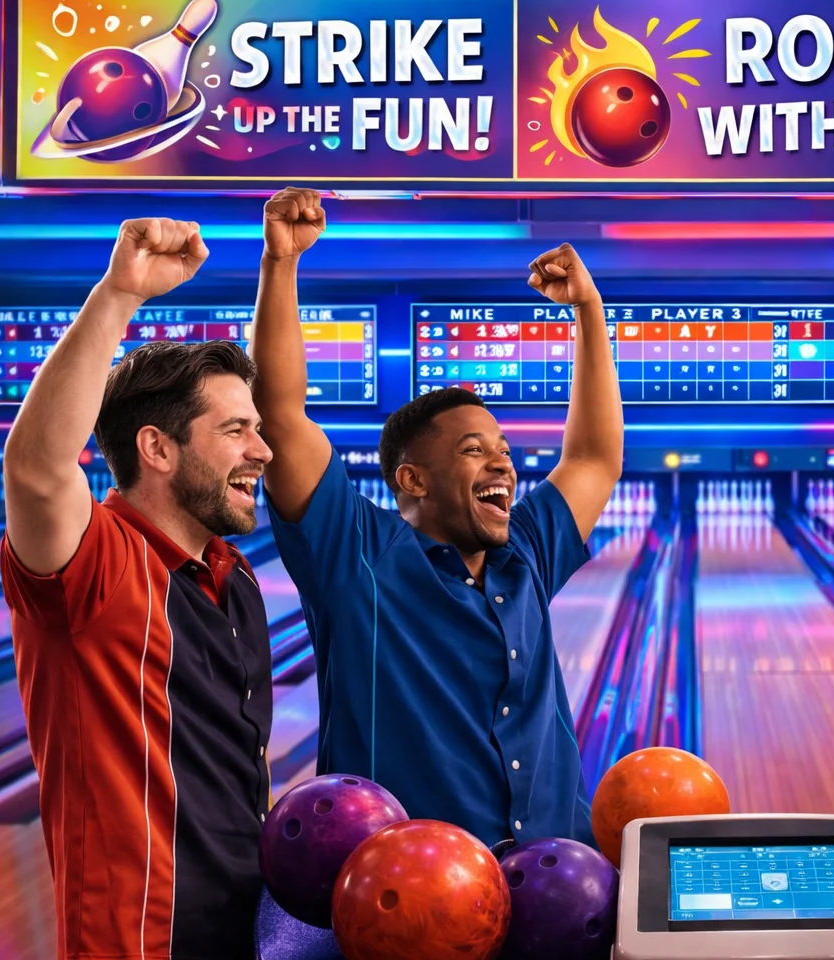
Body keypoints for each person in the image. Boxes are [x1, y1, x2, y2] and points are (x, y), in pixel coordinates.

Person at [249, 188, 623, 847]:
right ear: (412, 480)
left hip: (558, 885)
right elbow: (280, 418)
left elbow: (593, 457)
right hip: (410, 900)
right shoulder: (357, 555)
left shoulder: (524, 552)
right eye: (475, 451)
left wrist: (590, 313)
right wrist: (281, 263)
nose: (503, 465)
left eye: (506, 451)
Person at [0, 219, 275, 959]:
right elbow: (34, 470)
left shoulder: (236, 578)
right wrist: (120, 293)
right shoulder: (94, 567)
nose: (263, 449)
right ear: (157, 447)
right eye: (237, 430)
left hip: (246, 934)